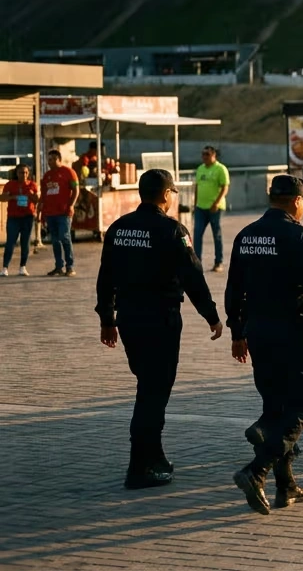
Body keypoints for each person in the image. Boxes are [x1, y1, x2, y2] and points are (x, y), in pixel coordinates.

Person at [95, 169, 222, 489]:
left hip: (128, 321)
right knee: (153, 391)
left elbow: (105, 276)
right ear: (166, 195)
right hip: (161, 320)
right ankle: (139, 467)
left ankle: (155, 455)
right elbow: (193, 276)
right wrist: (212, 315)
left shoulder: (118, 228)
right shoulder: (172, 230)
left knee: (148, 385)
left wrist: (107, 319)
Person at [225, 175, 303, 515]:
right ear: (295, 201)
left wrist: (237, 332)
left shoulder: (245, 236)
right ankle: (256, 471)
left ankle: (286, 485)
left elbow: (234, 290)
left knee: (276, 408)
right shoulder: (299, 235)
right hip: (294, 331)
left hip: (258, 331)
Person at [39, 149, 79, 277]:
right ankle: (58, 266)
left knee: (65, 237)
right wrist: (40, 211)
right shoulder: (47, 176)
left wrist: (71, 205)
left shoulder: (68, 172)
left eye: (52, 159)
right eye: (48, 159)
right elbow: (44, 195)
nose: (50, 162)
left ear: (58, 159)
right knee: (55, 240)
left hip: (64, 212)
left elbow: (76, 190)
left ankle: (70, 266)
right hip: (50, 213)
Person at [194, 146, 231, 271]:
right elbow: (197, 187)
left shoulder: (220, 169)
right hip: (200, 207)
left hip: (215, 208)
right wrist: (195, 204)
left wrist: (216, 203)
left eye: (207, 154)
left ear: (214, 155)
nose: (204, 157)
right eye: (203, 154)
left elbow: (225, 188)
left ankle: (218, 262)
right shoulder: (200, 169)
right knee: (197, 234)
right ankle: (196, 262)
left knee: (217, 235)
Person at [2, 164, 39, 276]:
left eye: (26, 172)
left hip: (27, 216)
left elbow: (37, 200)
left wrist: (32, 195)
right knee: (10, 242)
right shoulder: (10, 185)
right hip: (13, 217)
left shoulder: (32, 185)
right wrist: (12, 197)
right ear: (16, 173)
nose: (24, 175)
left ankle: (23, 266)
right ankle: (5, 268)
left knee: (25, 242)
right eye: (21, 172)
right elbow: (2, 198)